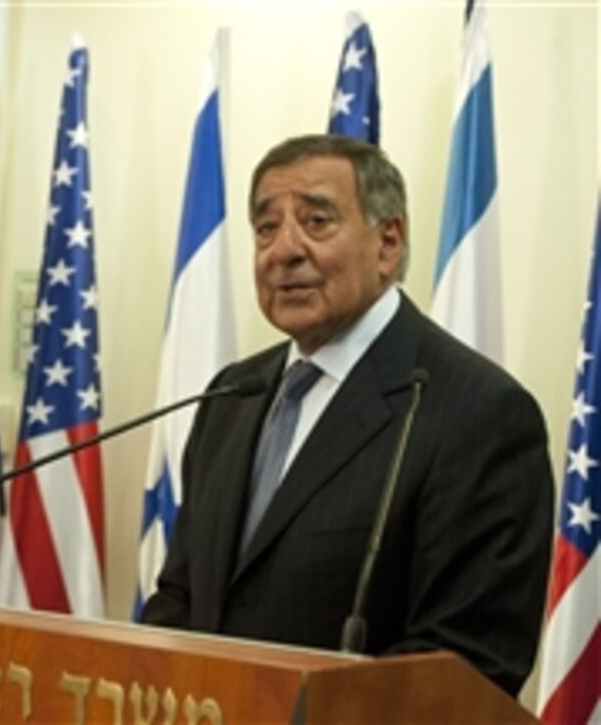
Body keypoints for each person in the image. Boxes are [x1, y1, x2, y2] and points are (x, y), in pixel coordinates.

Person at [142, 134, 553, 696]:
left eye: (315, 222)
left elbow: (466, 664)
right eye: (266, 228)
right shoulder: (232, 394)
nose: (282, 250)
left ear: (388, 243)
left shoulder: (480, 413)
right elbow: (180, 597)